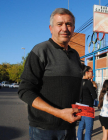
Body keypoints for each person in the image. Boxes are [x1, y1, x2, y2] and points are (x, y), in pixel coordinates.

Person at [18, 8, 83, 140]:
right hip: (44, 130)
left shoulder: (75, 55)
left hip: (70, 128)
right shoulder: (40, 50)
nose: (64, 28)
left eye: (69, 24)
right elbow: (25, 91)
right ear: (51, 28)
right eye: (59, 24)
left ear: (73, 28)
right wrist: (59, 113)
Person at [77, 65, 97, 140]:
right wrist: (94, 87)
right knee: (88, 129)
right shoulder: (89, 83)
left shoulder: (78, 82)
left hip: (80, 106)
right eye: (91, 72)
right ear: (87, 72)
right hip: (88, 107)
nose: (92, 73)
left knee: (81, 127)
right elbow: (94, 96)